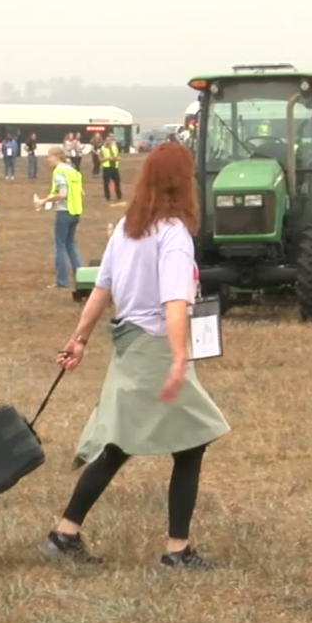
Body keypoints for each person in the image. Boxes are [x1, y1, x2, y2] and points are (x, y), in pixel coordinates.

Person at [41, 142, 229, 569]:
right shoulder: (173, 235)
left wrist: (81, 338)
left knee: (121, 443)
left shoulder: (128, 226)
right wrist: (180, 357)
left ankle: (64, 534)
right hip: (155, 349)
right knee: (191, 441)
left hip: (129, 343)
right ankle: (177, 550)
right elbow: (175, 302)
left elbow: (101, 288)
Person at [35, 146, 85, 290]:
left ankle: (62, 281)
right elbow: (80, 192)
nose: (47, 159)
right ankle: (81, 278)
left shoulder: (59, 171)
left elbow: (63, 194)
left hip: (64, 212)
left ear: (57, 156)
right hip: (75, 211)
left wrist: (44, 201)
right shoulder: (72, 171)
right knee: (71, 245)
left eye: (49, 156)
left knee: (60, 246)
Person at [100, 134, 124, 203]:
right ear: (105, 141)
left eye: (110, 140)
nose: (108, 141)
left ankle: (119, 196)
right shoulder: (102, 148)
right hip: (107, 167)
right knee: (106, 183)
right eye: (107, 140)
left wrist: (116, 158)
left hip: (115, 167)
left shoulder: (114, 147)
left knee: (117, 182)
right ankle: (108, 197)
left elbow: (119, 156)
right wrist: (107, 158)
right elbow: (100, 159)